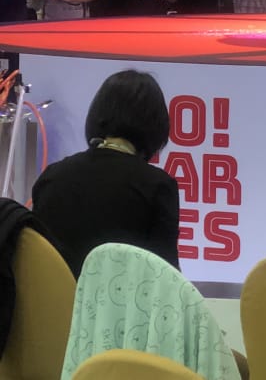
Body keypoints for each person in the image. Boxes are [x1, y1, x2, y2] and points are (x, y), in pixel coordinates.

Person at [31, 69, 179, 276]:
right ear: (156, 126)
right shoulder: (158, 186)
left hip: (55, 296)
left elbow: (37, 263)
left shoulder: (52, 176)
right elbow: (167, 278)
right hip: (123, 297)